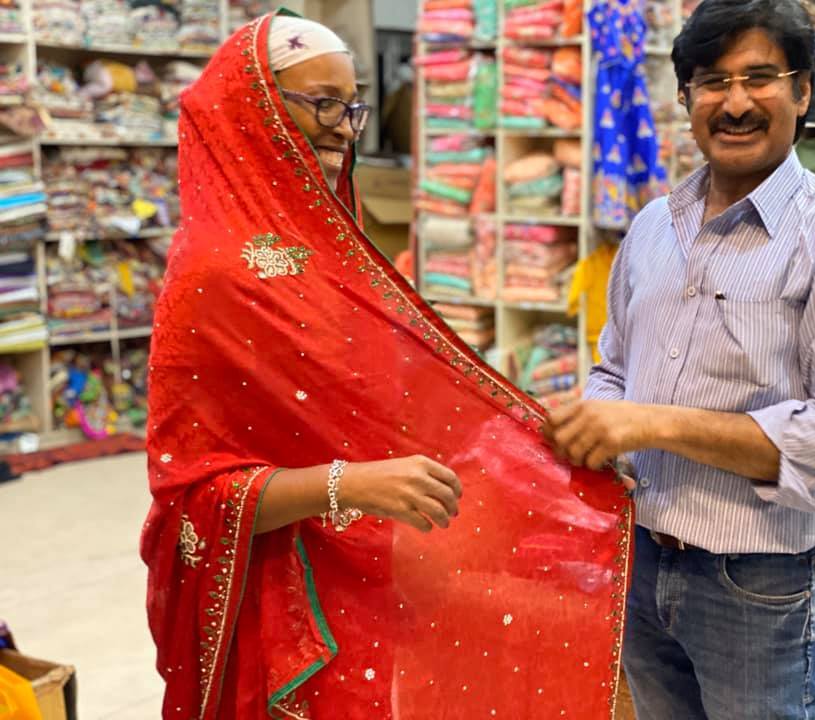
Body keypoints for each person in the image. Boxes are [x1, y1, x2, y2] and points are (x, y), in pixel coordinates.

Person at [141, 11, 631, 719]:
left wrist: (529, 442)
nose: (344, 127)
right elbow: (187, 493)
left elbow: (389, 403)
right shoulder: (212, 273)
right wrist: (347, 483)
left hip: (374, 568)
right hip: (280, 600)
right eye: (322, 104)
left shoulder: (338, 253)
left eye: (352, 105)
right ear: (252, 111)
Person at [545, 1, 815, 718]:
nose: (736, 102)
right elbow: (615, 366)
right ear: (685, 99)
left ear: (802, 91)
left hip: (760, 589)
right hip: (640, 561)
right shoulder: (655, 225)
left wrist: (649, 425)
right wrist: (597, 422)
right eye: (713, 81)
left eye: (760, 77)